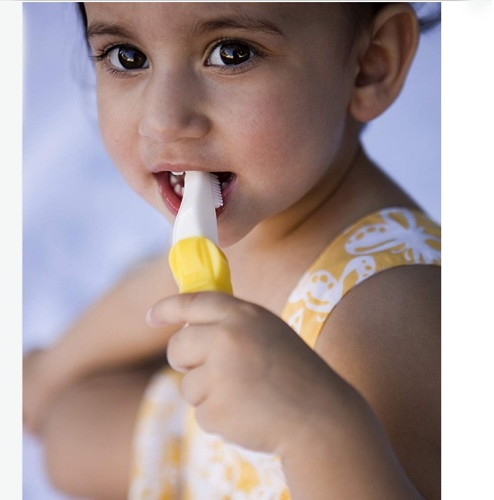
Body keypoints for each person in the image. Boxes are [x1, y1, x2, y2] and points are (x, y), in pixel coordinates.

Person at [23, 2, 441, 499]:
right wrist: (49, 371)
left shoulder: (386, 317)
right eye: (128, 56)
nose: (163, 120)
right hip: (210, 456)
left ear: (372, 62)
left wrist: (313, 428)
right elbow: (159, 285)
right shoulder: (264, 210)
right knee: (71, 434)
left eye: (231, 52)